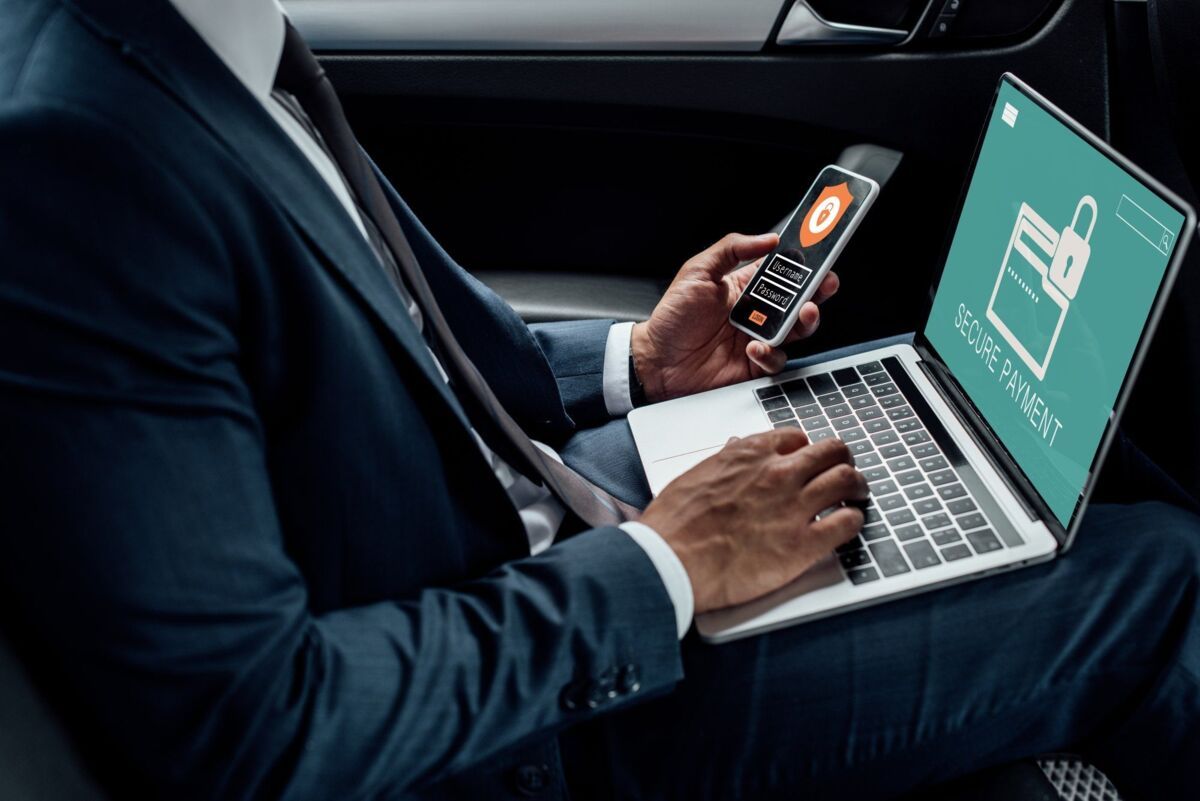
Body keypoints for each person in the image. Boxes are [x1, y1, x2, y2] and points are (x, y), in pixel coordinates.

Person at [0, 1, 1196, 799]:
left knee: (1011, 445)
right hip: (531, 711)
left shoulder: (204, 36)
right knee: (1164, 567)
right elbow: (261, 734)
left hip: (539, 531)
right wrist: (671, 567)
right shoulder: (74, 152)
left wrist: (638, 369)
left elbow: (399, 350)